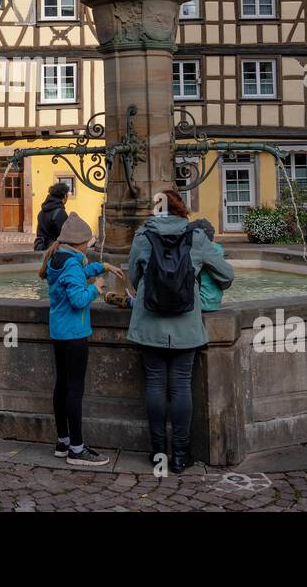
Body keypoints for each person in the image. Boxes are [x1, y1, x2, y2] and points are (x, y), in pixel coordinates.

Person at [127, 190, 234, 474]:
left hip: (149, 325)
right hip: (185, 326)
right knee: (181, 386)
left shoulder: (142, 236)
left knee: (155, 385)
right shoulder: (195, 237)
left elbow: (133, 278)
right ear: (181, 209)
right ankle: (181, 455)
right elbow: (227, 275)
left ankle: (159, 451)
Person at [39, 213, 120, 467]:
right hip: (74, 333)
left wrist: (103, 267)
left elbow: (77, 273)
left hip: (59, 331)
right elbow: (78, 299)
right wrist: (96, 288)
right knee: (74, 390)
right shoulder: (71, 264)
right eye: (88, 242)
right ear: (79, 243)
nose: (89, 246)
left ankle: (63, 442)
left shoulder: (58, 258)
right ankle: (77, 449)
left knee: (61, 387)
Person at [34, 183, 70, 251]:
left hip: (41, 251)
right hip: (54, 252)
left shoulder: (41, 212)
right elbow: (66, 237)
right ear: (65, 196)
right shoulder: (60, 213)